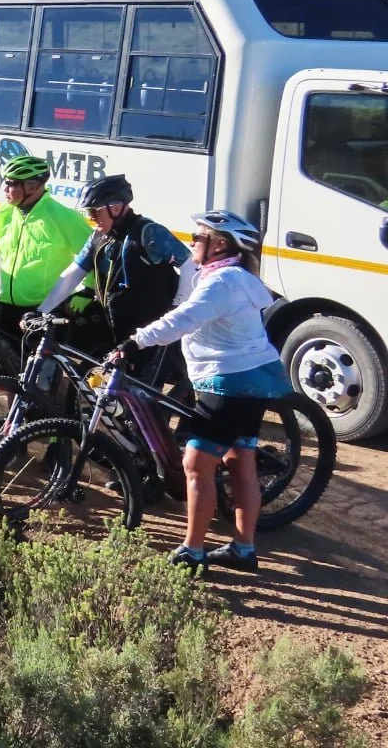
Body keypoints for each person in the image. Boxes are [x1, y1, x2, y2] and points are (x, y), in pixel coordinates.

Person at [116, 211, 290, 574]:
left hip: (228, 381)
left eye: (198, 236)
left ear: (220, 244)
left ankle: (192, 551)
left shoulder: (222, 282)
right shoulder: (235, 277)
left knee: (196, 464)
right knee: (239, 460)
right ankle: (243, 549)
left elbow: (184, 319)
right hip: (254, 379)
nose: (192, 241)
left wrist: (135, 342)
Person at [32, 174, 193, 356]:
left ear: (115, 208)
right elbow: (75, 272)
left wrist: (177, 308)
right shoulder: (98, 237)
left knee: (136, 382)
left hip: (149, 328)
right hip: (115, 321)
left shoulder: (149, 233)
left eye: (95, 211)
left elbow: (189, 264)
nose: (91, 217)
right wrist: (41, 311)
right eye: (88, 212)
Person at [0, 155, 92, 330]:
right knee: (5, 357)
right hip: (8, 307)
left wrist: (88, 291)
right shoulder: (5, 213)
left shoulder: (63, 217)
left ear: (32, 186)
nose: (5, 188)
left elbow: (94, 255)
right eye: (5, 182)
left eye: (11, 183)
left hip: (46, 311)